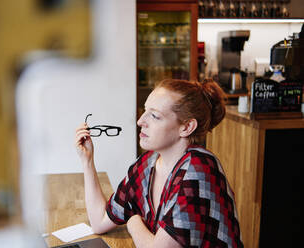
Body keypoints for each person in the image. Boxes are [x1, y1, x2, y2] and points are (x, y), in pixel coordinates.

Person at [75, 79, 243, 248]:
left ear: (186, 127)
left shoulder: (199, 168)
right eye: (145, 110)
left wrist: (133, 221)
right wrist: (87, 161)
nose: (141, 121)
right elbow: (100, 221)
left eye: (154, 116)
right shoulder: (146, 165)